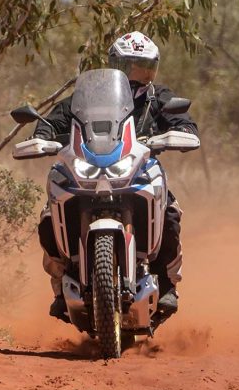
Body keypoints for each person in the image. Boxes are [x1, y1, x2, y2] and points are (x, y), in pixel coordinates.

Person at [32, 31, 198, 323]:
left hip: (139, 169)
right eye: (132, 65)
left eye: (146, 66)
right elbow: (58, 117)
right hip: (90, 166)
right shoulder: (89, 97)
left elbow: (182, 120)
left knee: (170, 211)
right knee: (49, 215)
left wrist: (183, 132)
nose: (140, 74)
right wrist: (43, 133)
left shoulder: (158, 97)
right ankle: (61, 287)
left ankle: (168, 284)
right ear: (116, 66)